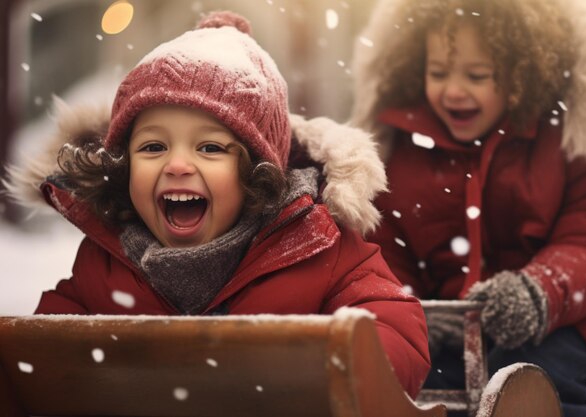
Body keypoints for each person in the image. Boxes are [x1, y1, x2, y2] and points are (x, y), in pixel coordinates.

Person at [3, 11, 430, 397]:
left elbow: (395, 328)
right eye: (153, 147)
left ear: (257, 175)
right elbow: (40, 358)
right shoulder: (106, 262)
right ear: (124, 167)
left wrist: (326, 370)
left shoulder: (316, 246)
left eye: (209, 148)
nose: (177, 164)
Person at [350, 0, 586, 415]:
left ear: (525, 72)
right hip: (461, 330)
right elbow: (385, 246)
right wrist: (410, 311)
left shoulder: (575, 133)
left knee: (531, 383)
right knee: (426, 390)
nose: (454, 90)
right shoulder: (404, 146)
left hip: (582, 315)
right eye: (438, 72)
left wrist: (540, 292)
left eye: (478, 75)